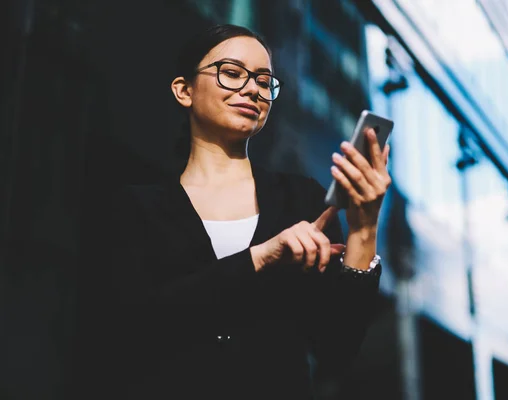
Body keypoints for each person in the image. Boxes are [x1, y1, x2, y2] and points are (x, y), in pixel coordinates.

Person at [74, 24, 391, 400]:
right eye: (232, 73)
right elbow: (126, 331)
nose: (253, 88)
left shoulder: (301, 200)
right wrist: (260, 257)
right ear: (184, 90)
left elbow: (336, 351)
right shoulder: (135, 208)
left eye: (263, 80)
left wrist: (364, 229)